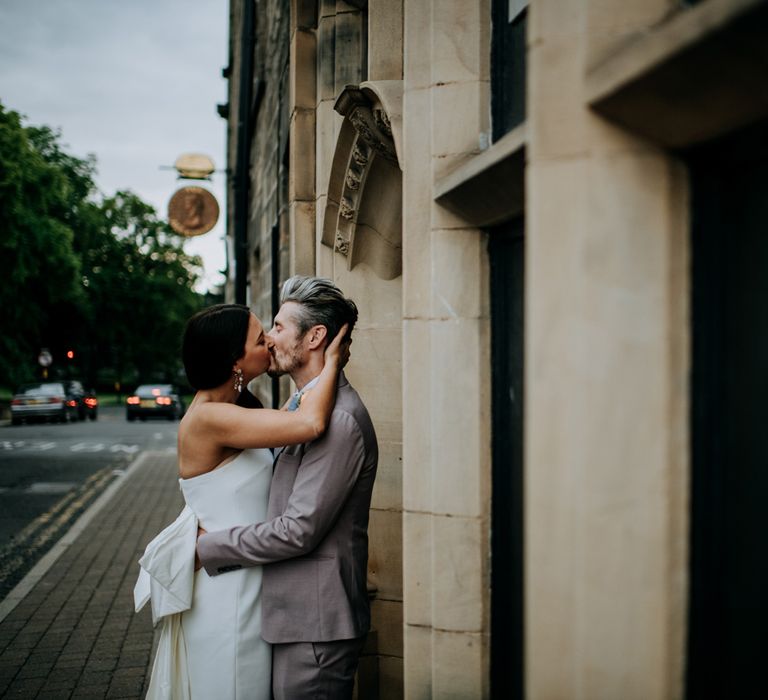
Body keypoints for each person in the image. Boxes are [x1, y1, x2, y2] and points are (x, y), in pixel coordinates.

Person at [134, 303, 348, 700]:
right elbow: (309, 424)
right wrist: (331, 362)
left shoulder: (237, 410)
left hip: (251, 578)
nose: (268, 340)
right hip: (226, 592)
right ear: (235, 360)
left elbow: (293, 416)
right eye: (258, 337)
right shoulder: (208, 418)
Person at [197, 276, 379, 699]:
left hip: (316, 625)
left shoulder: (341, 420)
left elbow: (299, 529)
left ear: (315, 337)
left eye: (279, 327)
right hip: (290, 617)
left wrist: (207, 547)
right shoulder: (299, 406)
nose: (270, 339)